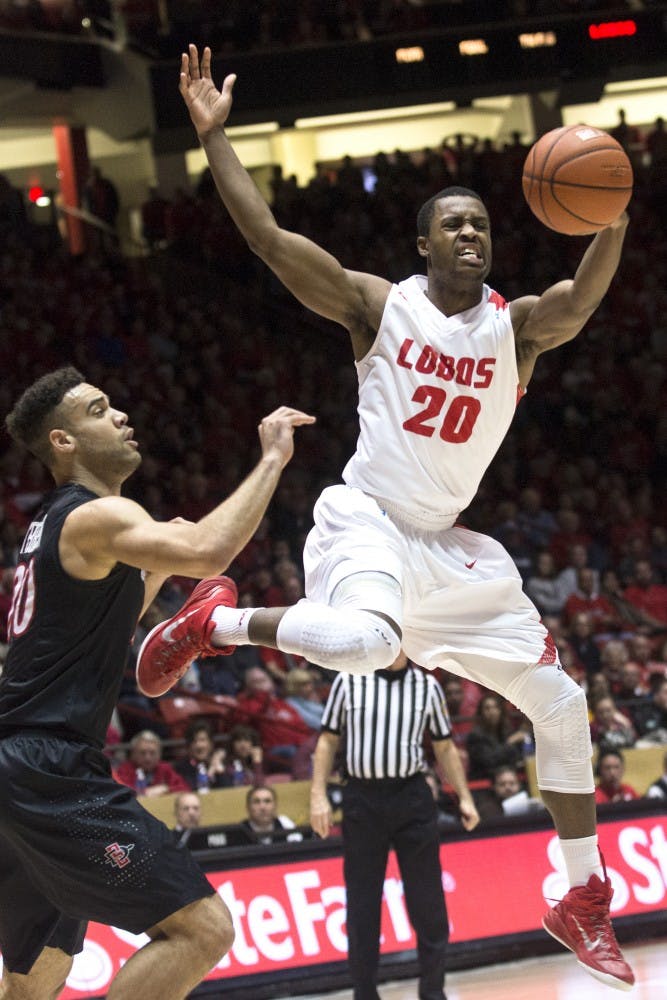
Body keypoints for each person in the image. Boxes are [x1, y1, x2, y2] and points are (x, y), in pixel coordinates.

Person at [139, 45, 634, 990]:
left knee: (562, 704)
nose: (470, 235)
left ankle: (580, 897)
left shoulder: (515, 326)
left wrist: (608, 217)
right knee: (366, 646)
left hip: (447, 547)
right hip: (368, 518)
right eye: (452, 225)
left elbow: (583, 299)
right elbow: (271, 242)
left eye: (481, 224)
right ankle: (218, 621)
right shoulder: (378, 306)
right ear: (421, 245)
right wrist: (214, 140)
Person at [0, 366, 314, 998]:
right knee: (202, 931)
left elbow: (96, 629)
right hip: (50, 768)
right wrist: (273, 459)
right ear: (62, 442)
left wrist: (164, 599)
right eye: (97, 410)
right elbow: (208, 551)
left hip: (22, 765)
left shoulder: (51, 527)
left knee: (38, 972)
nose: (118, 415)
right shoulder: (96, 517)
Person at [309, 649, 479, 1000]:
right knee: (362, 903)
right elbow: (327, 740)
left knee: (427, 901)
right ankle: (365, 993)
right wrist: (318, 795)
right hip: (362, 799)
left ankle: (433, 991)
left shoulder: (427, 686)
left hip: (411, 796)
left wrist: (464, 795)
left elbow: (444, 747)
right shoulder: (349, 678)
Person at [115, 729, 190, 797]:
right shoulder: (125, 769)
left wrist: (167, 788)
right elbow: (121, 793)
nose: (148, 758)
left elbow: (184, 788)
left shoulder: (165, 768)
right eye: (143, 753)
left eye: (152, 753)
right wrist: (145, 792)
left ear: (159, 754)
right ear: (133, 754)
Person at [172, 719, 230, 792]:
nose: (199, 745)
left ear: (211, 744)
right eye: (194, 741)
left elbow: (230, 792)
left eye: (202, 740)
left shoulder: (221, 763)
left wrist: (220, 771)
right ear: (188, 746)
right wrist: (210, 773)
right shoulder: (180, 769)